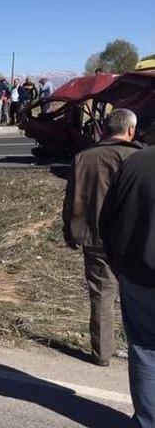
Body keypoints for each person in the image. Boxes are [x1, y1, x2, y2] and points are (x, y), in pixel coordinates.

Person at [63, 109, 142, 367]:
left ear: (105, 129)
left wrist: (69, 230)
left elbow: (71, 198)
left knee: (101, 295)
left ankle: (102, 353)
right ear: (130, 130)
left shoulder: (83, 157)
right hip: (134, 239)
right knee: (140, 295)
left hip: (95, 237)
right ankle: (143, 350)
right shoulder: (137, 157)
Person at [99, 135, 155, 426]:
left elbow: (107, 222)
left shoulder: (134, 164)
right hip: (136, 274)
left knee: (145, 350)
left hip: (138, 276)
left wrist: (119, 265)